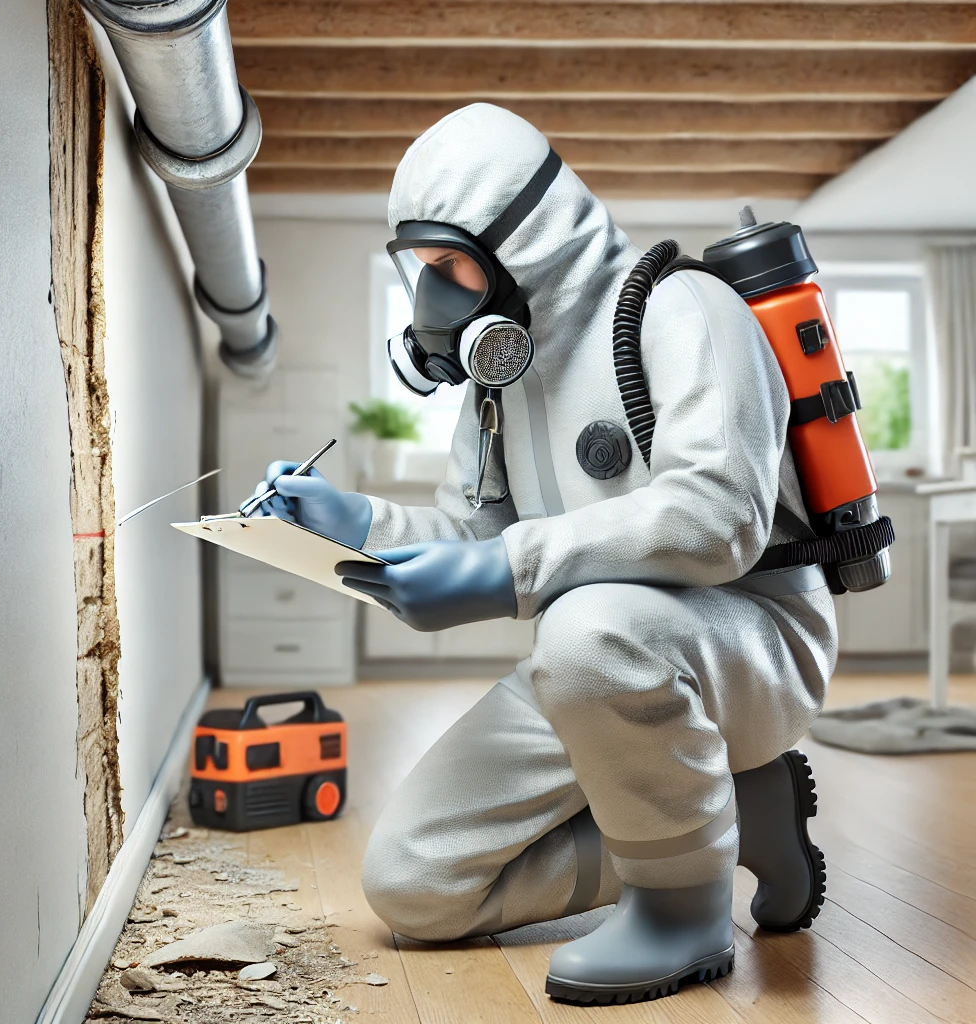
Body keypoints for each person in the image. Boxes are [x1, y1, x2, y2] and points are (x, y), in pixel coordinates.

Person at [246, 103, 836, 1005]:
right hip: (602, 668)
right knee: (416, 883)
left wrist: (508, 574)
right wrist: (350, 523)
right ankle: (736, 815)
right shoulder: (500, 381)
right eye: (421, 269)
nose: (434, 298)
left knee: (586, 626)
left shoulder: (686, 309)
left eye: (450, 265)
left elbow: (721, 517)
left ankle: (683, 908)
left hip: (755, 640)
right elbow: (478, 538)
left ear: (529, 238)